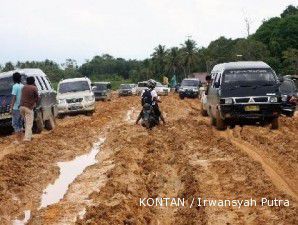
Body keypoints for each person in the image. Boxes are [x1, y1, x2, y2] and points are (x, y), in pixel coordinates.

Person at [20, 76, 39, 142]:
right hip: (28, 107)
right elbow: (37, 97)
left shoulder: (23, 87)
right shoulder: (34, 88)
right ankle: (27, 139)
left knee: (26, 122)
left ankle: (29, 136)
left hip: (21, 107)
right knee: (29, 124)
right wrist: (35, 103)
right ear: (33, 82)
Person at [10, 72, 24, 143]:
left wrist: (11, 108)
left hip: (16, 108)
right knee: (20, 123)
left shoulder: (15, 86)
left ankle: (17, 140)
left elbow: (13, 98)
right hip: (22, 107)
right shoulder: (22, 86)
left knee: (15, 124)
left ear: (13, 78)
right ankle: (21, 139)